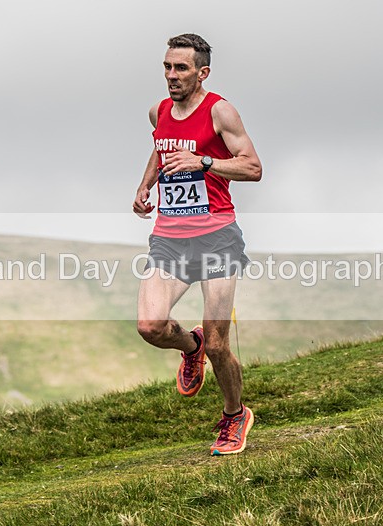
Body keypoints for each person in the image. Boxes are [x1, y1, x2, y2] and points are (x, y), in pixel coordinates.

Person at [132, 33, 262, 455]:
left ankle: (234, 415)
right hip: (169, 238)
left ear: (202, 72)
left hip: (216, 237)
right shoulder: (160, 111)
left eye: (181, 68)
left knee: (220, 341)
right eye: (167, 67)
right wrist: (145, 185)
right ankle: (191, 347)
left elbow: (253, 168)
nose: (172, 76)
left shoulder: (220, 111)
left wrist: (204, 161)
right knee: (150, 326)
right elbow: (161, 147)